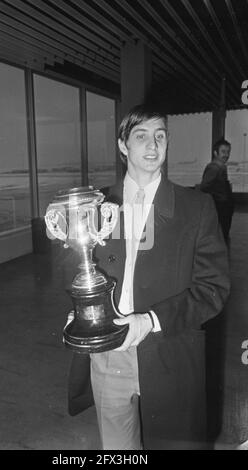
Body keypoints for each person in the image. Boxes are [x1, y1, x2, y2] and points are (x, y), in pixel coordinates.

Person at [65, 104, 230, 450]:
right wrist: (83, 311)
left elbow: (213, 289)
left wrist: (150, 320)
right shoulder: (98, 205)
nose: (152, 146)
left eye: (160, 137)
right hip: (108, 353)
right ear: (123, 146)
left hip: (167, 350)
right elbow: (85, 269)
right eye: (141, 137)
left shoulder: (196, 208)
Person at [200, 138, 234, 243]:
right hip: (219, 206)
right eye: (223, 152)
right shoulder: (214, 168)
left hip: (222, 206)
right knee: (221, 237)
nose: (226, 155)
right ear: (215, 153)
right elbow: (205, 186)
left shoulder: (220, 167)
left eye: (228, 152)